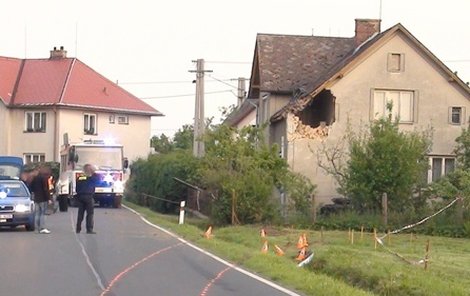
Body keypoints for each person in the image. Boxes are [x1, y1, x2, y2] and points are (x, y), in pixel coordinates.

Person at [75, 164, 99, 234]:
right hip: (89, 196)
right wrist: (93, 171)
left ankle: (78, 229)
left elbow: (77, 188)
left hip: (81, 196)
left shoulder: (80, 178)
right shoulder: (93, 178)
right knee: (90, 214)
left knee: (80, 214)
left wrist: (79, 194)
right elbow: (98, 179)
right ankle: (89, 229)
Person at [30, 166, 52, 234]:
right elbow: (46, 189)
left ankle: (37, 228)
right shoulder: (44, 178)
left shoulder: (35, 178)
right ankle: (42, 228)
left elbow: (31, 187)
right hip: (43, 198)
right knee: (42, 213)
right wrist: (49, 198)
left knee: (37, 213)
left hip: (36, 198)